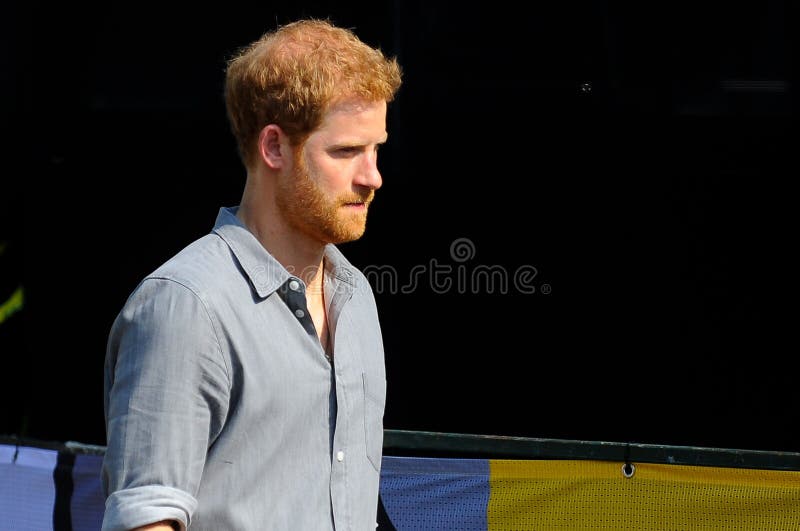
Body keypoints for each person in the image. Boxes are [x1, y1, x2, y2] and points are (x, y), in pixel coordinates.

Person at [101, 18, 402, 530]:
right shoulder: (186, 305)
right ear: (274, 148)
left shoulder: (356, 298)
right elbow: (146, 520)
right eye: (347, 151)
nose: (372, 176)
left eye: (377, 149)